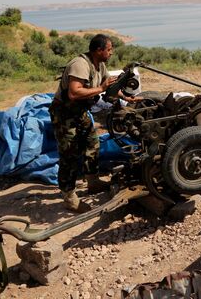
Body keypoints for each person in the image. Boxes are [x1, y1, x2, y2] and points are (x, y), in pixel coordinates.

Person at [49, 34, 138, 212]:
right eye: (109, 49)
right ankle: (69, 198)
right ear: (99, 50)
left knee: (93, 144)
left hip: (80, 112)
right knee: (69, 156)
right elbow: (74, 93)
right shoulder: (80, 65)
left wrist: (127, 98)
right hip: (65, 114)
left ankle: (93, 182)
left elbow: (109, 87)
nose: (111, 52)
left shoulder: (100, 65)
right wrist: (101, 88)